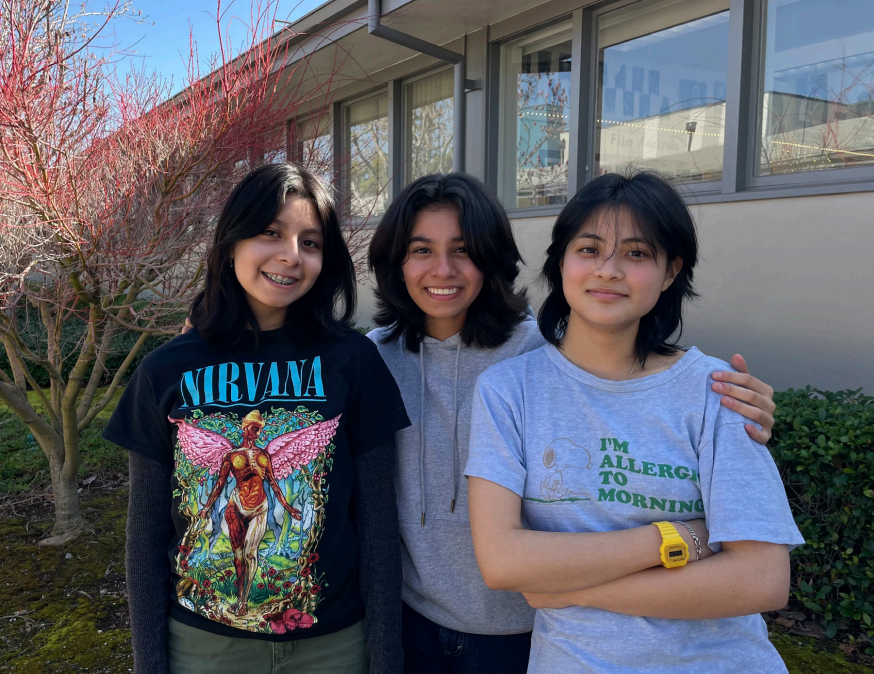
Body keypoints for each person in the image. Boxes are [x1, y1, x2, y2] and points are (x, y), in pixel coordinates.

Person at [366, 172, 779, 674]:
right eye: (420, 250)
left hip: (533, 626)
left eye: (464, 249)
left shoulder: (538, 353)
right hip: (420, 621)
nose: (443, 269)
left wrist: (742, 411)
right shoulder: (376, 360)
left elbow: (761, 573)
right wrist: (681, 537)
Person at [104, 164, 410, 674]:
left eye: (310, 242)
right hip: (204, 650)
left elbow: (378, 526)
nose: (291, 256)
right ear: (230, 245)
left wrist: (384, 660)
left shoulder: (353, 363)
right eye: (271, 233)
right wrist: (148, 663)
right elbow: (146, 534)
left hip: (333, 648)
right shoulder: (166, 370)